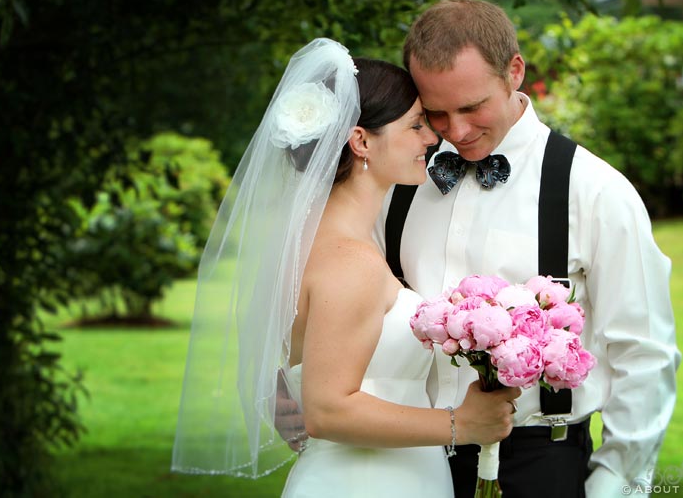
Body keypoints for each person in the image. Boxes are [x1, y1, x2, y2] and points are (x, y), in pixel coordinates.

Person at [171, 38, 520, 498]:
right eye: (416, 124)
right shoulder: (350, 261)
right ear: (361, 141)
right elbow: (328, 410)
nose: (432, 138)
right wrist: (462, 424)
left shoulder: (316, 244)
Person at [376, 0, 681, 498]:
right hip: (406, 463)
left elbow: (643, 352)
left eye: (473, 107)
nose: (456, 132)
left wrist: (615, 479)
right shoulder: (399, 186)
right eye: (437, 113)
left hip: (540, 463)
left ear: (514, 71)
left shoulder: (595, 190)